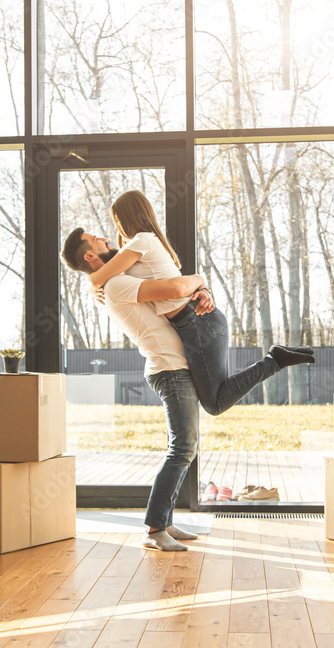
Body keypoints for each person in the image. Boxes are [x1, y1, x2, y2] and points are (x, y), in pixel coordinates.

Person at [61, 228, 312, 551]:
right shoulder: (117, 284)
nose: (109, 241)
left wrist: (203, 290)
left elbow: (171, 296)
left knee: (190, 439)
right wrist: (199, 278)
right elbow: (177, 286)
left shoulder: (113, 282)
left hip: (174, 366)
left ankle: (163, 521)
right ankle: (154, 530)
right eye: (100, 242)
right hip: (170, 369)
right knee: (182, 449)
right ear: (90, 256)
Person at [87, 190, 314, 415]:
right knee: (214, 398)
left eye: (117, 221)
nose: (116, 228)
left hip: (199, 322)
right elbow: (110, 276)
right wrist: (98, 290)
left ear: (129, 217)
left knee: (214, 403)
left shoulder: (142, 241)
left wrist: (93, 286)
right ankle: (275, 359)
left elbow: (99, 277)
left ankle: (275, 360)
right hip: (192, 324)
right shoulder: (139, 247)